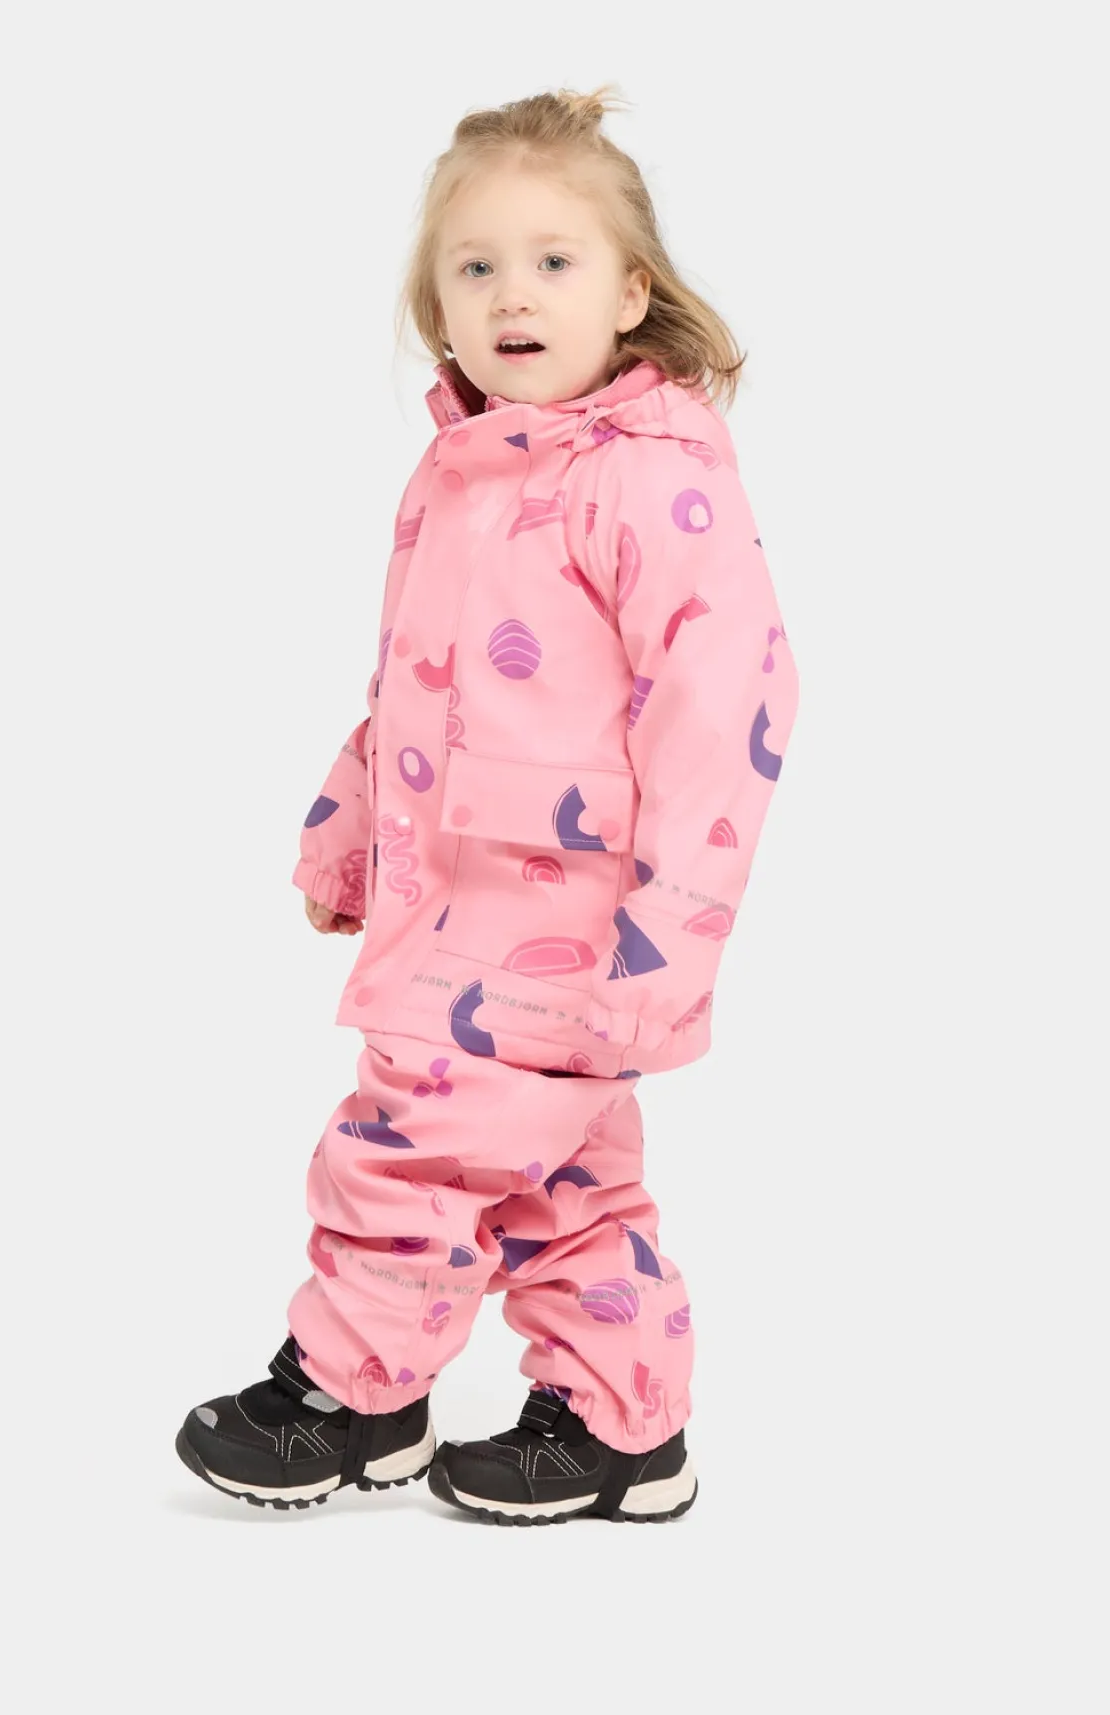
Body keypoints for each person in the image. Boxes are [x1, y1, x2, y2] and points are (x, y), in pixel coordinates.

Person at [175, 83, 800, 1524]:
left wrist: (673, 934)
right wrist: (348, 830)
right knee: (559, 1186)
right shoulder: (459, 474)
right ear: (438, 308)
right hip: (452, 906)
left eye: (554, 260)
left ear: (630, 294)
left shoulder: (648, 482)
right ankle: (620, 1425)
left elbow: (730, 705)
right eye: (476, 266)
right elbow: (413, 686)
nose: (513, 292)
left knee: (411, 1143)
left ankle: (355, 1394)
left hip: (558, 926)